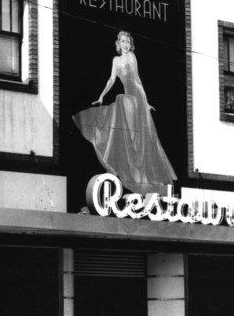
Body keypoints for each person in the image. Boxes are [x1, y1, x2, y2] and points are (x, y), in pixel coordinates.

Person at [72, 30, 177, 195]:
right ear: (118, 43)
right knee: (121, 106)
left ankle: (144, 175)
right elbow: (112, 79)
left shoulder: (132, 57)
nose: (126, 44)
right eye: (123, 41)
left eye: (128, 41)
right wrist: (101, 96)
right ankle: (129, 170)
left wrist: (146, 101)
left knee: (145, 138)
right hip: (128, 99)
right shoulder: (116, 60)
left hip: (138, 100)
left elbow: (138, 80)